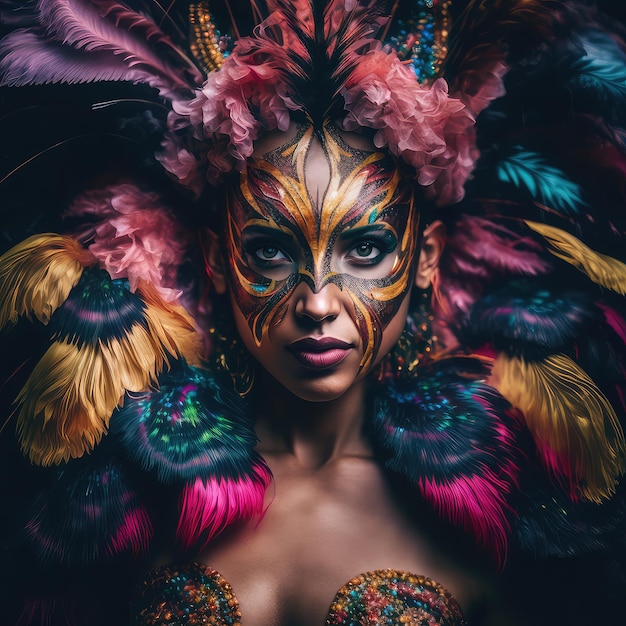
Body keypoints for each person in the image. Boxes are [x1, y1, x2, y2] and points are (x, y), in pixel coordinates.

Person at [1, 1, 626, 625]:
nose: (319, 304)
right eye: (270, 250)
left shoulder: (502, 506)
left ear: (426, 257)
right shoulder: (125, 496)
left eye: (366, 248)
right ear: (216, 258)